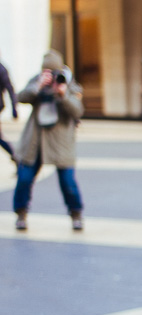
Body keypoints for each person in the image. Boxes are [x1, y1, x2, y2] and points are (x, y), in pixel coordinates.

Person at [12, 50, 84, 232]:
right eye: (47, 72)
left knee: (68, 182)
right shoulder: (36, 81)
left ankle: (76, 213)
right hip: (35, 141)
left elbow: (77, 111)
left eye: (53, 72)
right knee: (24, 179)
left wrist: (63, 94)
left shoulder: (68, 83)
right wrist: (37, 86)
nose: (51, 76)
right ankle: (21, 213)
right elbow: (21, 98)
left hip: (61, 142)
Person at [0, 51, 18, 164]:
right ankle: (15, 156)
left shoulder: (1, 69)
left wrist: (14, 108)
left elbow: (10, 89)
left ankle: (16, 156)